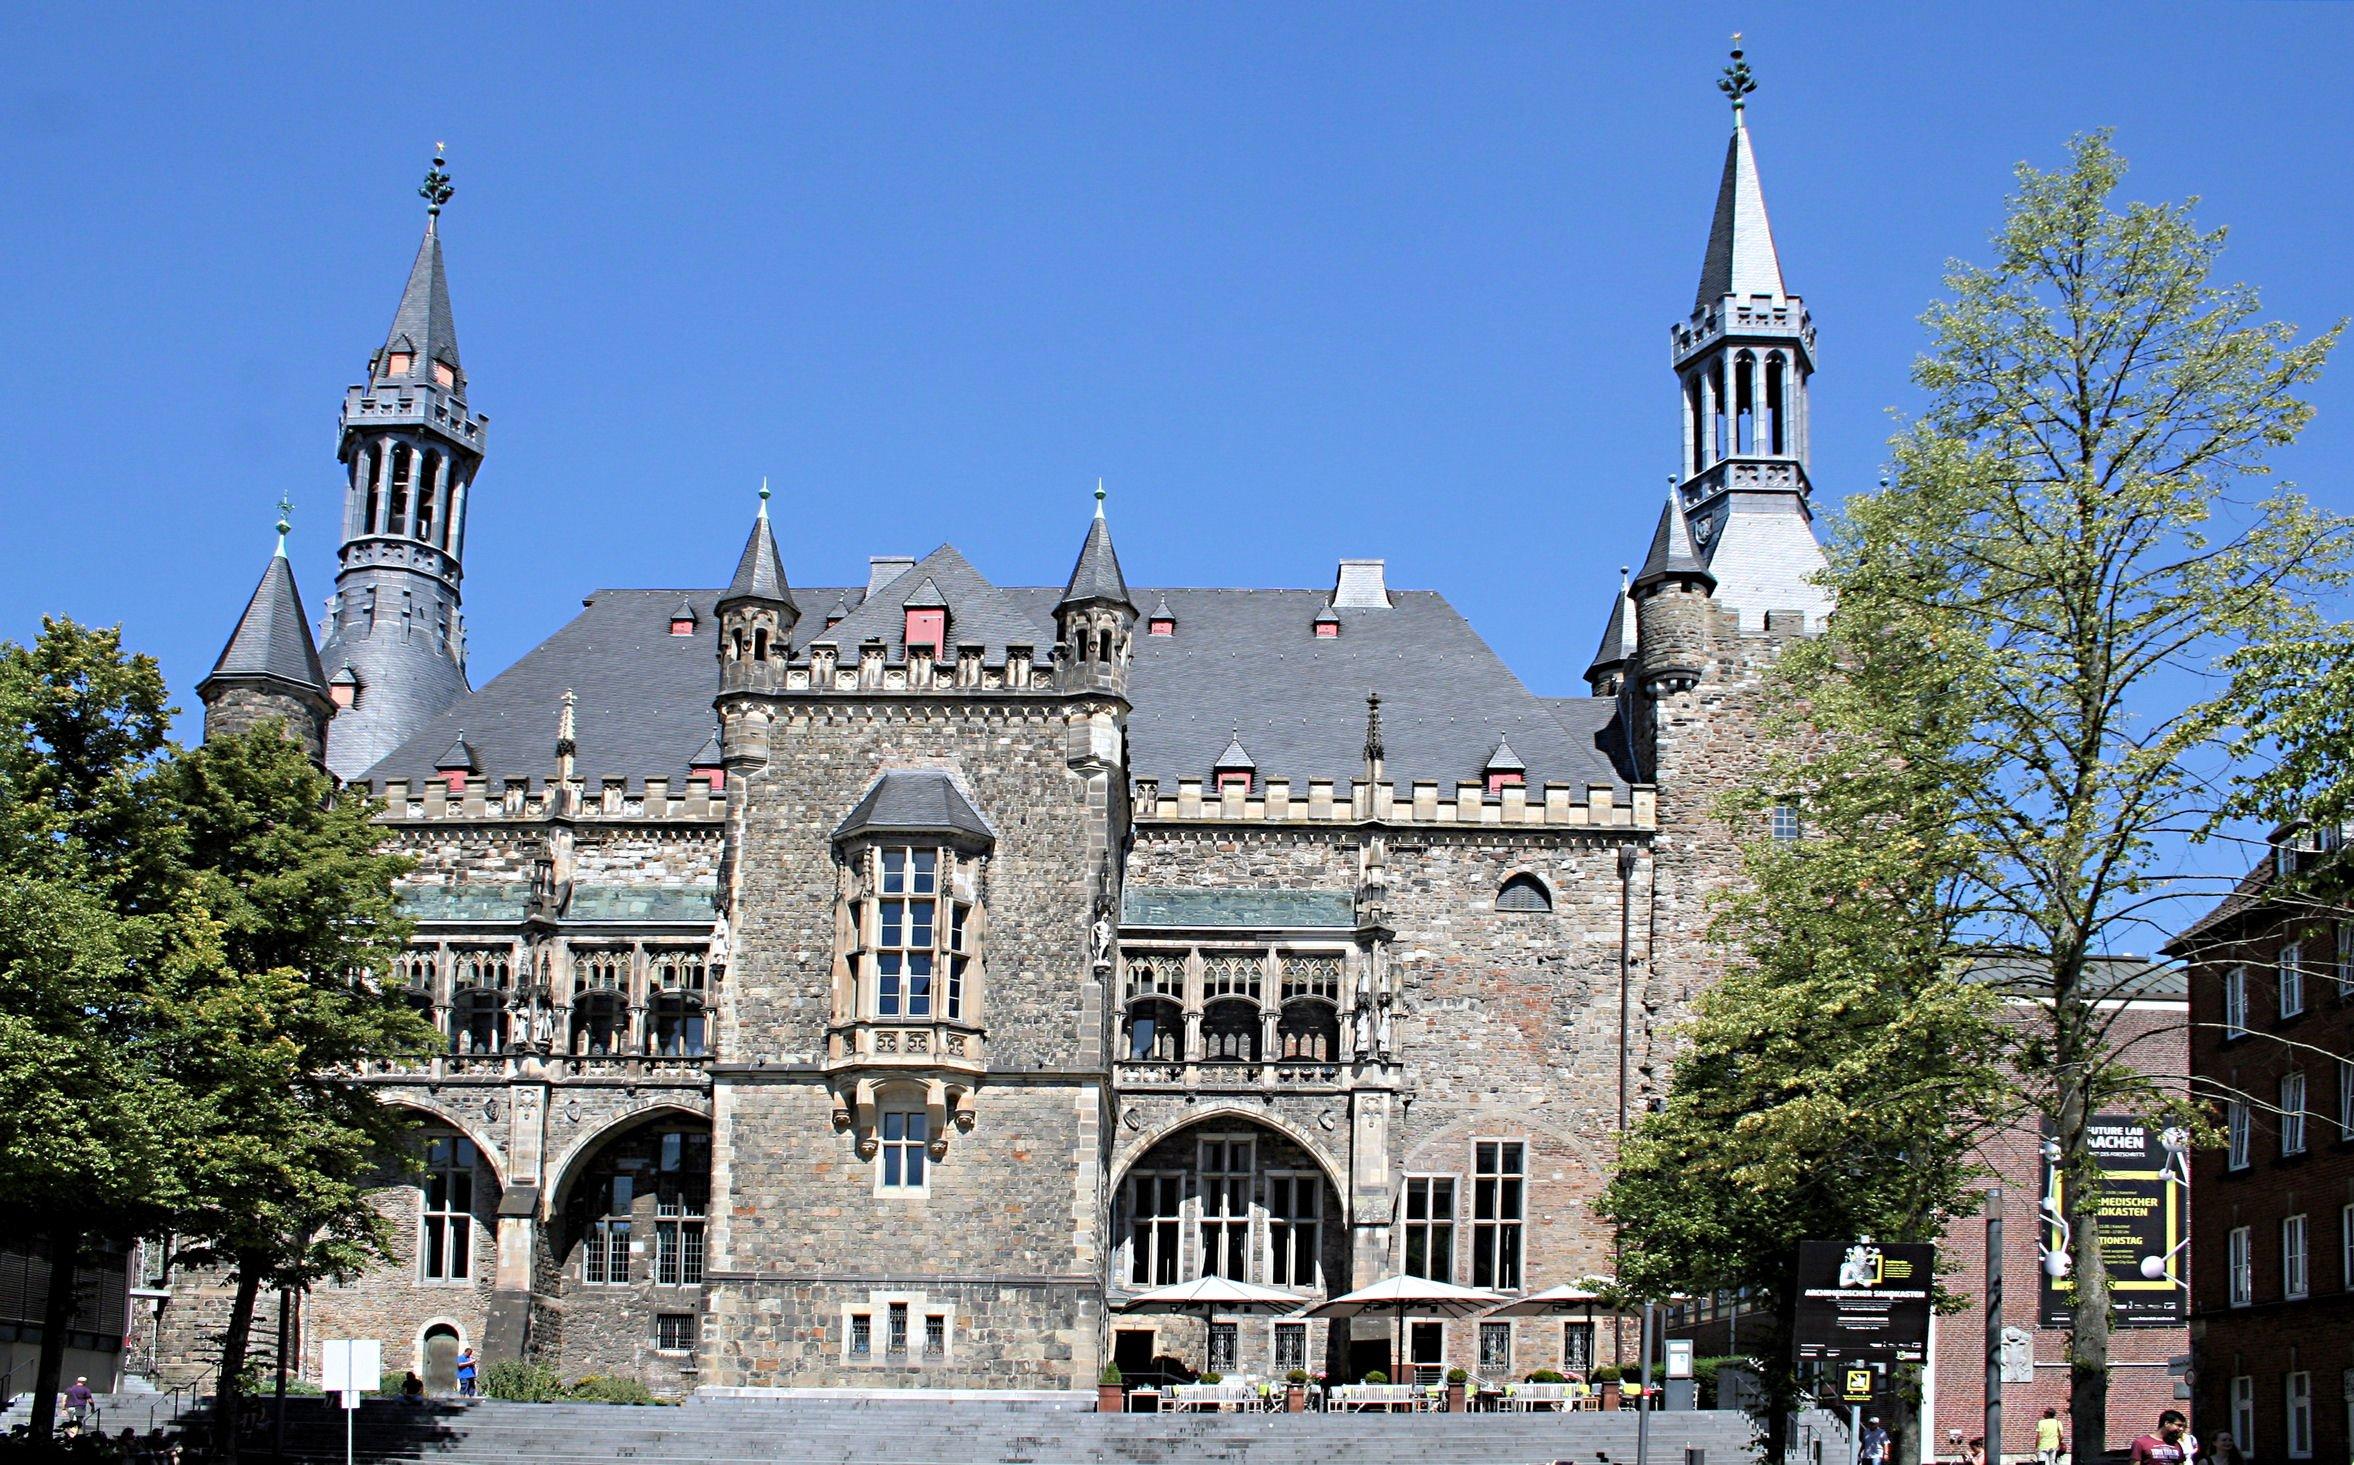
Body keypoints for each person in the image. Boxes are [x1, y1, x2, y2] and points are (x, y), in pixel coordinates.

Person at [2128, 1409, 2193, 1465]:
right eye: (2179, 1425)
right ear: (2167, 1423)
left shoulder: (2176, 1444)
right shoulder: (2141, 1443)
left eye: (2182, 1426)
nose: (2181, 1429)